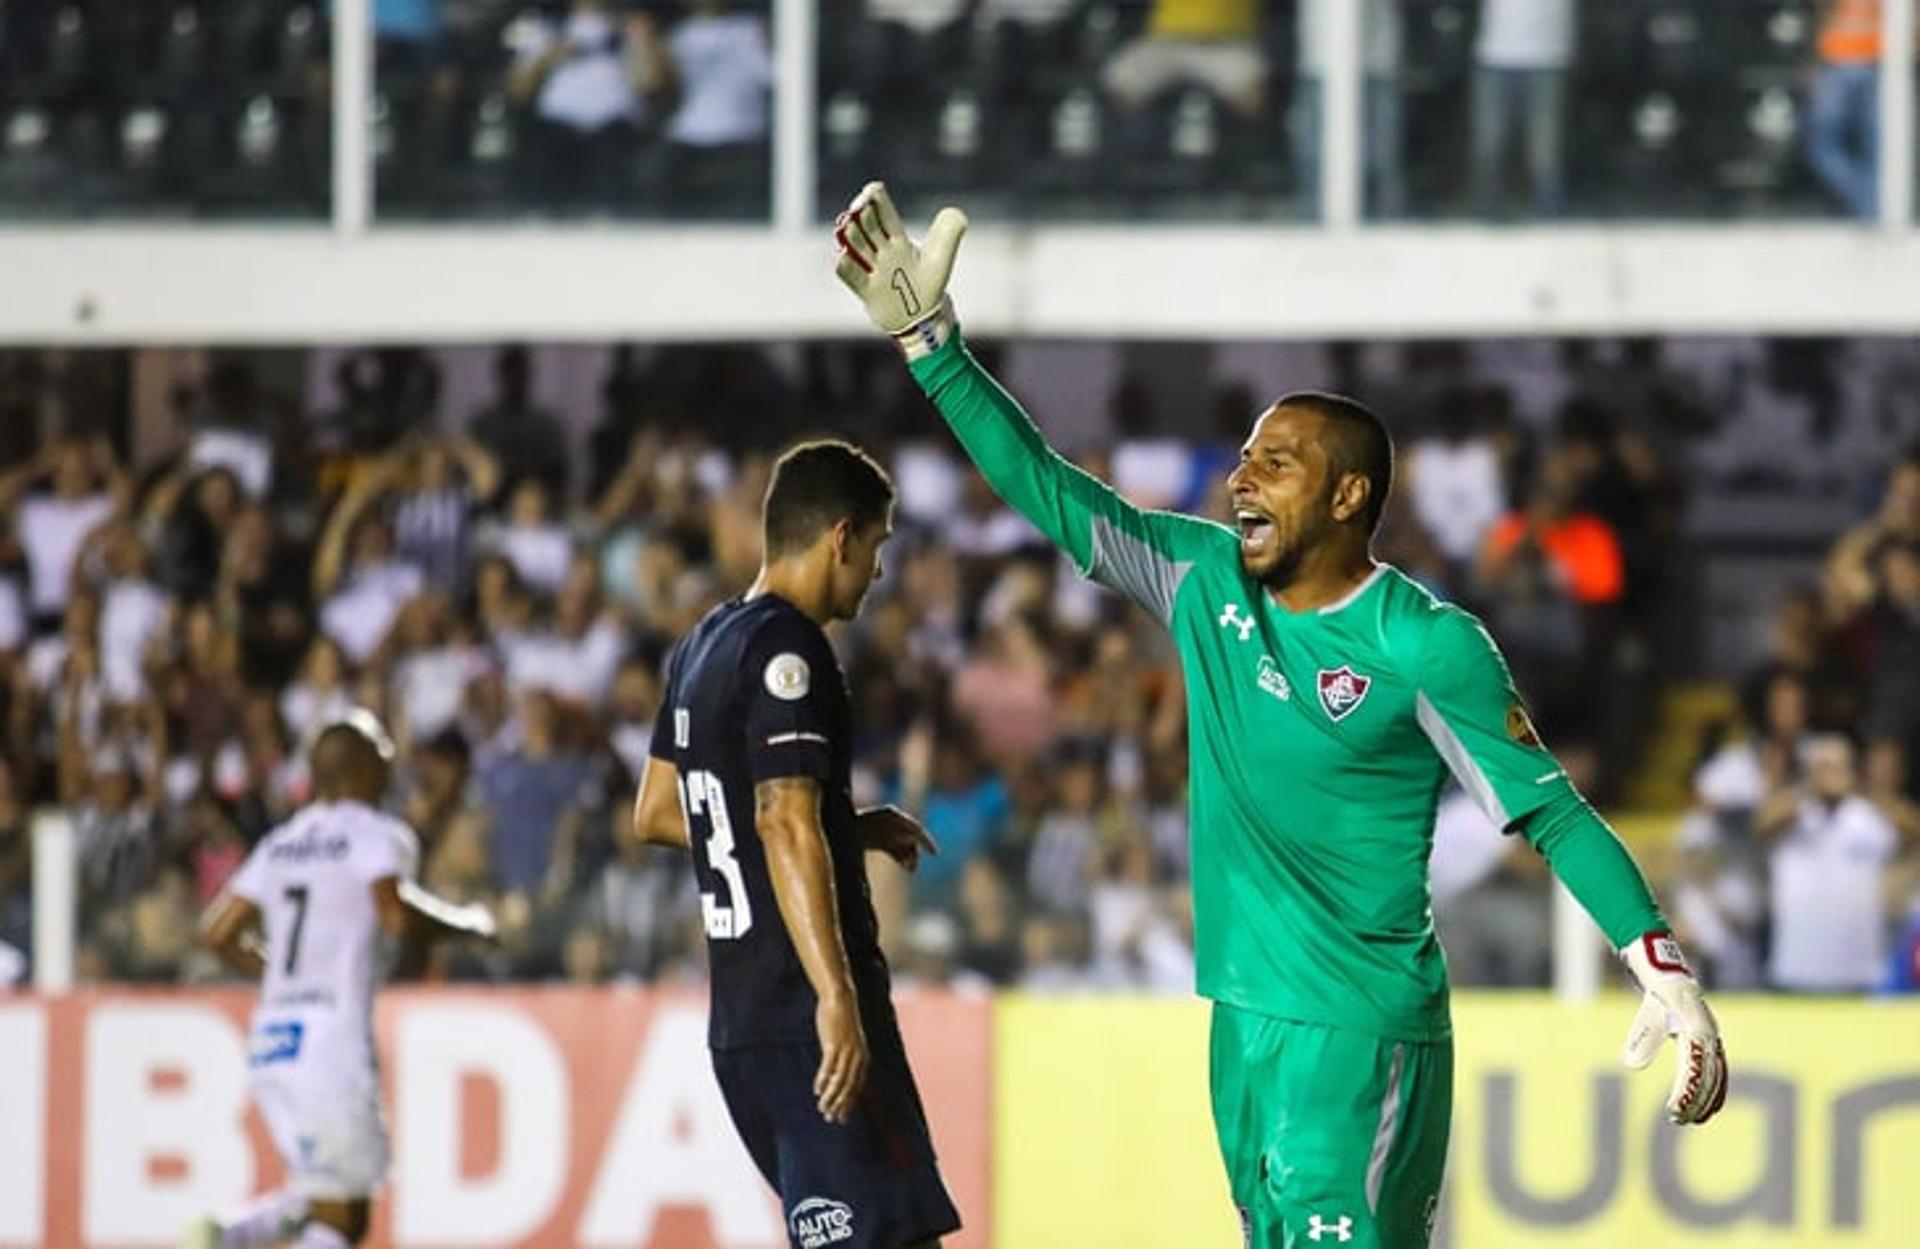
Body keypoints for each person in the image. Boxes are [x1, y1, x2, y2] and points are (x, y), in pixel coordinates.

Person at [833, 183, 1727, 1248]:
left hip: (1360, 1037)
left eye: (1278, 462)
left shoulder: (1424, 646)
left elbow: (1555, 814)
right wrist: (934, 346)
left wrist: (1661, 965)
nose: (1243, 480)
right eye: (1246, 456)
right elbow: (1050, 489)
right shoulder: (1201, 580)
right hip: (1242, 1026)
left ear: (1349, 497)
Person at [627, 440, 961, 1248]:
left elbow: (662, 812)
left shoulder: (703, 642)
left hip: (742, 1025)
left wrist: (841, 825)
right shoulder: (788, 649)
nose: (876, 574)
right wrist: (835, 996)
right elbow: (779, 817)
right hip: (802, 1009)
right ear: (840, 536)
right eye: (876, 549)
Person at [180, 712, 495, 1249]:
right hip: (329, 1040)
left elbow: (217, 932)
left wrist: (281, 975)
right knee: (341, 1216)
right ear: (359, 769)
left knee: (330, 1198)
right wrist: (469, 925)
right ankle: (230, 1236)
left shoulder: (282, 842)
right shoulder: (376, 833)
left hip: (274, 1037)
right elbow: (394, 913)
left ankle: (228, 1235)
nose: (393, 758)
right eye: (381, 750)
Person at [1470, 0, 1574, 219]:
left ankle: (1548, 208)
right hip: (1495, 54)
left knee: (1544, 144)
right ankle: (1489, 207)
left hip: (1546, 57)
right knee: (1491, 139)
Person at [1805, 0, 1885, 220]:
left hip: (1869, 62)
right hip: (1853, 60)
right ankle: (1872, 205)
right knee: (1877, 147)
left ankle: (1871, 207)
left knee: (1879, 147)